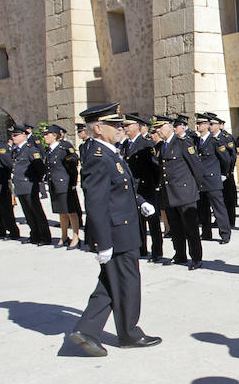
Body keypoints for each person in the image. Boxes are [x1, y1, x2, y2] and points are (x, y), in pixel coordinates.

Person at [68, 103, 161, 357]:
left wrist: (139, 202)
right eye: (115, 124)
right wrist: (103, 243)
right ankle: (129, 334)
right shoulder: (98, 157)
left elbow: (120, 188)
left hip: (123, 228)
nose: (121, 128)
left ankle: (86, 330)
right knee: (127, 282)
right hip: (117, 233)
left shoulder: (109, 153)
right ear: (98, 128)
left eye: (121, 124)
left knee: (111, 282)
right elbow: (96, 204)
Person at [155, 115, 204, 269]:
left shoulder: (183, 143)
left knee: (191, 228)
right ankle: (180, 255)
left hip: (185, 193)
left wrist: (194, 188)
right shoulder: (162, 146)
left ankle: (196, 257)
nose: (157, 130)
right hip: (169, 194)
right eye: (156, 128)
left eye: (160, 127)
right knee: (175, 228)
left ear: (169, 127)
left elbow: (196, 167)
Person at [121, 114, 162, 261]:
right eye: (124, 125)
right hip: (133, 189)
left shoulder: (146, 144)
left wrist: (156, 185)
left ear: (137, 126)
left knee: (153, 222)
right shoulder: (126, 145)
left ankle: (157, 251)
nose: (125, 128)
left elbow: (155, 167)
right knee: (138, 222)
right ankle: (141, 249)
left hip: (146, 187)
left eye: (128, 125)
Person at [9, 124, 52, 245]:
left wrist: (35, 181)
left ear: (24, 135)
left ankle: (45, 236)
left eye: (16, 135)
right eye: (12, 135)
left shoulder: (30, 149)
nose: (13, 137)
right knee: (27, 212)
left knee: (36, 212)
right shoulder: (15, 150)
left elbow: (40, 168)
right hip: (20, 185)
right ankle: (34, 235)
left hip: (29, 185)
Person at [194, 112, 231, 243]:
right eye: (197, 123)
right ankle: (206, 233)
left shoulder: (215, 141)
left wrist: (223, 174)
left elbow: (226, 159)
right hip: (201, 181)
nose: (198, 126)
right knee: (203, 209)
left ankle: (225, 234)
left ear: (207, 125)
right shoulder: (197, 142)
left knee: (218, 208)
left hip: (213, 180)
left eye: (200, 123)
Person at [43, 124, 82, 248]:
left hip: (64, 184)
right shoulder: (48, 150)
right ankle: (64, 236)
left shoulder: (63, 148)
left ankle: (76, 236)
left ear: (55, 135)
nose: (45, 137)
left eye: (47, 134)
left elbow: (73, 166)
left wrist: (72, 183)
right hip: (54, 184)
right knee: (61, 211)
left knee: (70, 211)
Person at [209, 113, 238, 227]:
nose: (210, 126)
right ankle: (219, 220)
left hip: (225, 173)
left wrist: (228, 172)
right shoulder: (210, 139)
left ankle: (230, 220)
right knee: (218, 200)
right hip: (215, 174)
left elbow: (232, 156)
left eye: (212, 124)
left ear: (218, 125)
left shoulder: (226, 137)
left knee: (228, 198)